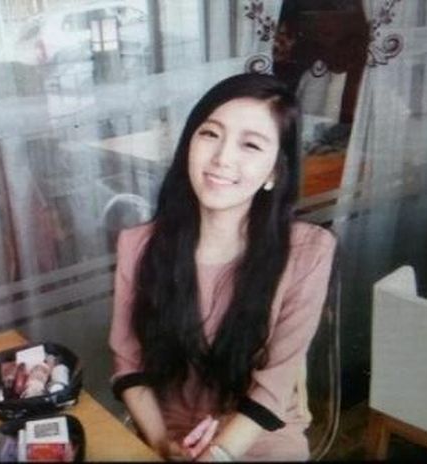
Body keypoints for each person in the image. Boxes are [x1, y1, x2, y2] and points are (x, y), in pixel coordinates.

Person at [109, 73, 336, 461]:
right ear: (189, 145)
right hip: (166, 436)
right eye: (210, 134)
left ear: (274, 172)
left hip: (259, 441)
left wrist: (217, 455)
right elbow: (129, 364)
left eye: (250, 144)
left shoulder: (308, 252)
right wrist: (162, 443)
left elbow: (274, 387)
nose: (222, 158)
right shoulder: (138, 245)